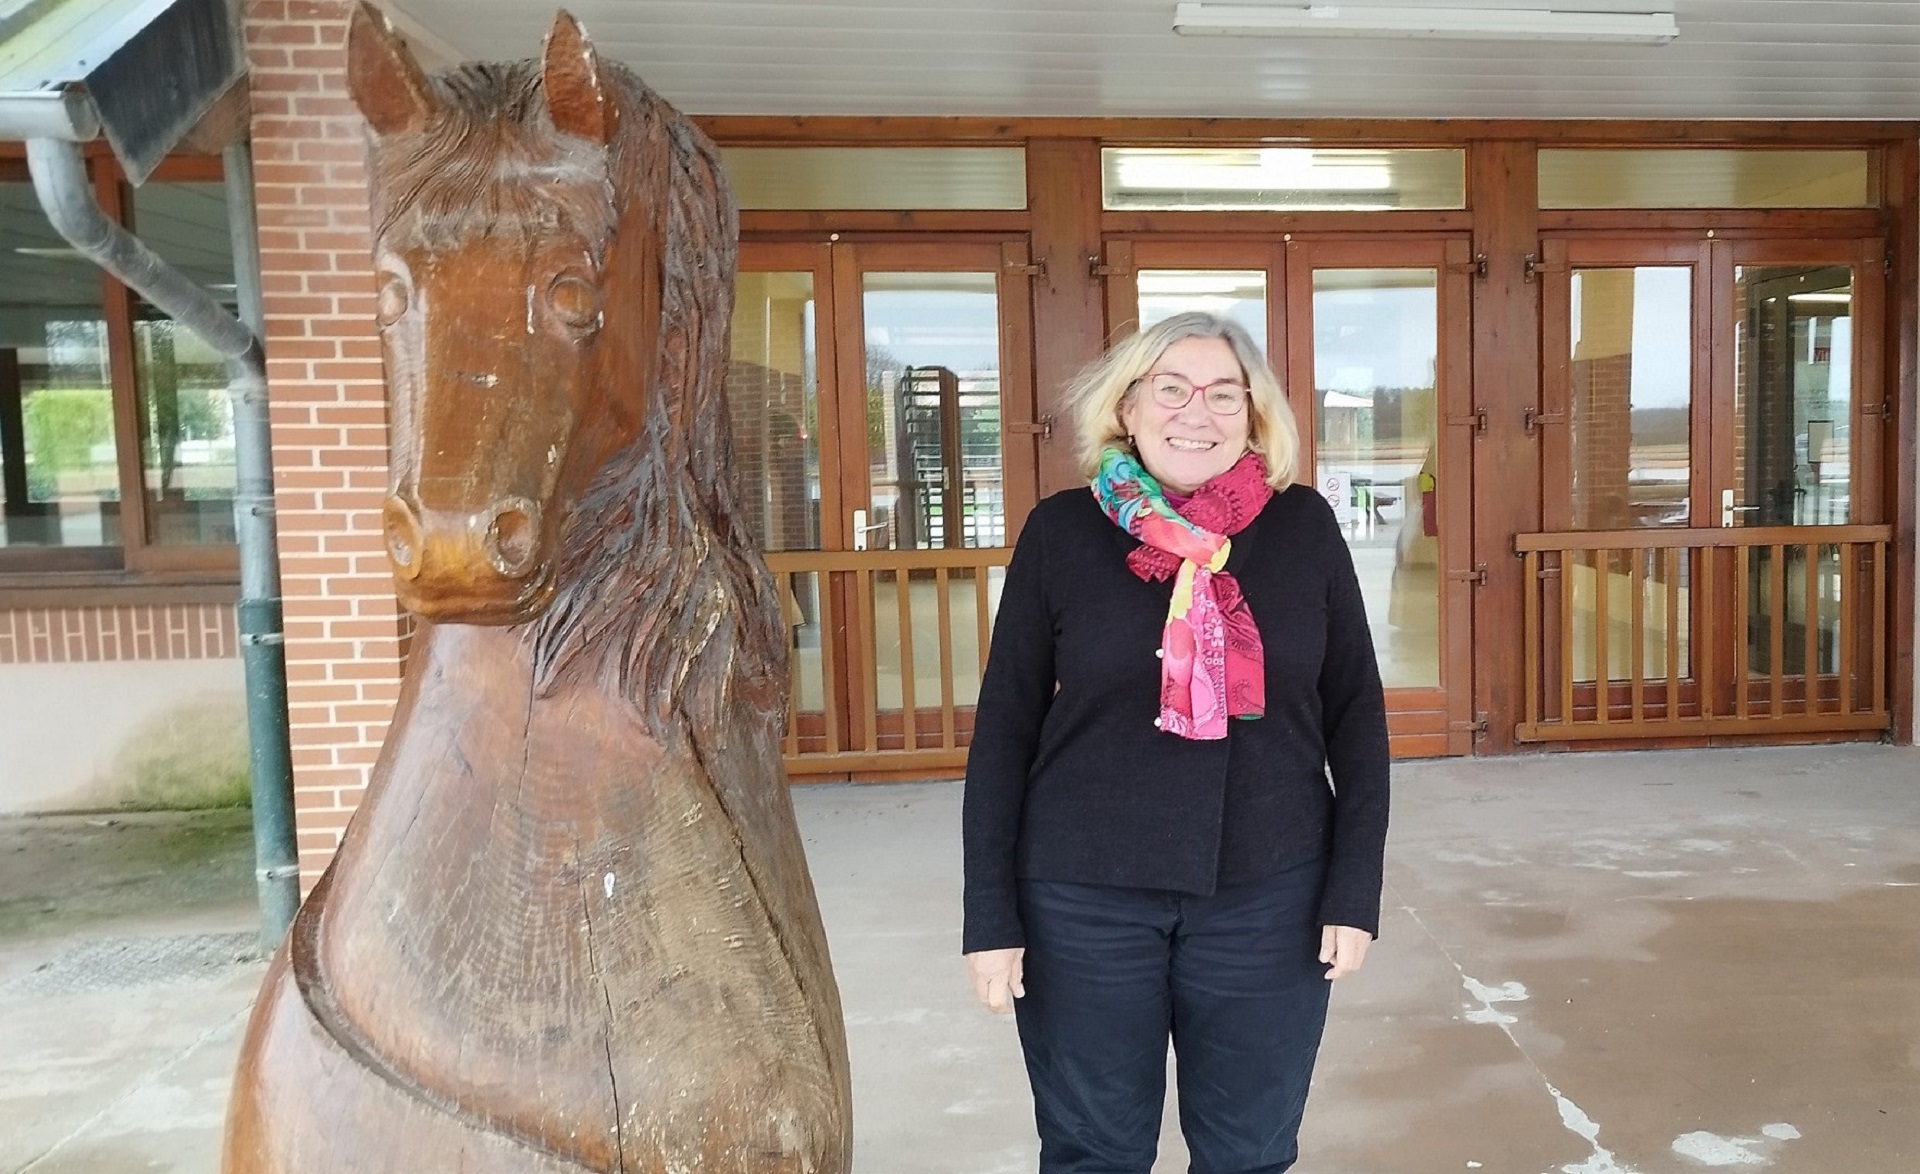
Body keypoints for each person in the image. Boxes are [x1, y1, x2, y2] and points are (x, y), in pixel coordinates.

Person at [961, 311, 1390, 1173]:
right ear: (1127, 408)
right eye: (1172, 389)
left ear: (1253, 415)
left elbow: (1356, 714)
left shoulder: (1303, 528)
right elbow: (1005, 725)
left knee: (1249, 1152)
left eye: (1224, 394)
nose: (1197, 412)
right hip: (1082, 895)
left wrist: (1354, 892)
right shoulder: (1062, 532)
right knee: (1094, 1151)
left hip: (1271, 893)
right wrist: (990, 915)